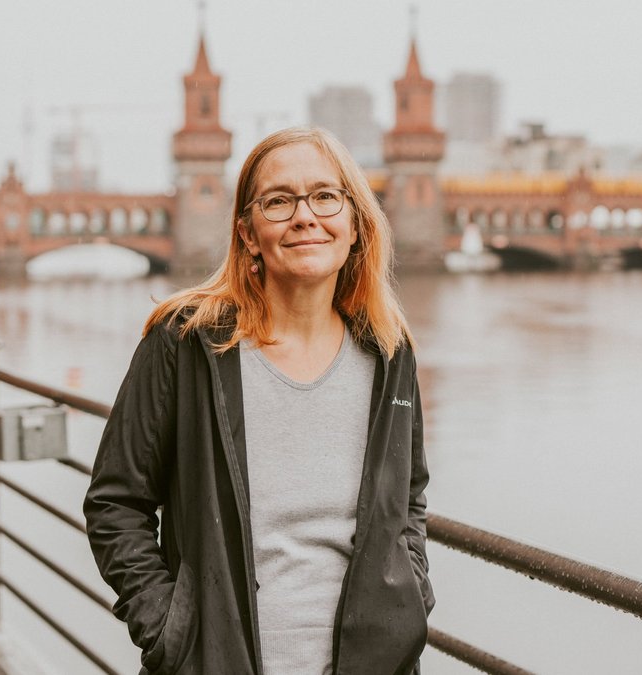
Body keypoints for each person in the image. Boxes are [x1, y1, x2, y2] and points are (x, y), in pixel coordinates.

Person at [83, 127, 433, 675]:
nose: (305, 216)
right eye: (278, 201)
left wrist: (410, 594)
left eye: (325, 196)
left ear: (356, 225)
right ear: (248, 233)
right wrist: (172, 632)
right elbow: (115, 503)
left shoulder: (390, 352)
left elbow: (408, 497)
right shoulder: (184, 343)